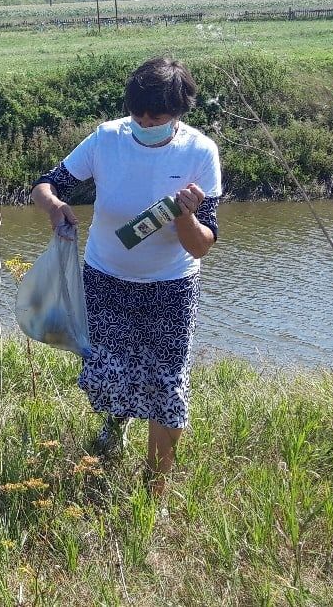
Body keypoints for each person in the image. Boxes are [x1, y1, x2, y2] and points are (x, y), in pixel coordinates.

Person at [30, 57, 222, 498]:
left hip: (171, 287)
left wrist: (186, 218)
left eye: (155, 117)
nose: (144, 123)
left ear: (178, 112)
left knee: (167, 385)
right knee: (110, 374)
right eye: (138, 114)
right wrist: (55, 207)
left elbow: (201, 245)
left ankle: (153, 494)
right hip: (106, 278)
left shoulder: (199, 152)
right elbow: (45, 184)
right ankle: (115, 427)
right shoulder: (106, 138)